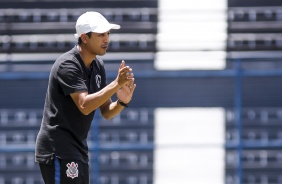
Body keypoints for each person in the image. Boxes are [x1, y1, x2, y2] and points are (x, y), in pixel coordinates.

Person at [35, 11, 136, 183]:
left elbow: (106, 111)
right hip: (58, 150)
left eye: (108, 34)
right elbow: (84, 105)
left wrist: (122, 102)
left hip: (78, 150)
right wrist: (116, 84)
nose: (106, 39)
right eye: (101, 35)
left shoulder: (98, 66)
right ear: (84, 37)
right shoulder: (67, 64)